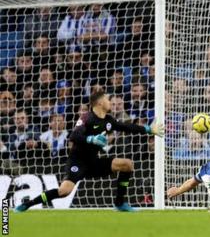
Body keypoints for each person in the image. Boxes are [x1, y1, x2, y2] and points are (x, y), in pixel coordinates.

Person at [15, 90, 164, 212]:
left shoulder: (108, 120)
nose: (110, 102)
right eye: (107, 99)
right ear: (100, 102)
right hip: (78, 162)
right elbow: (74, 135)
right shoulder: (87, 118)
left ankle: (120, 203)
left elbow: (126, 127)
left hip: (93, 162)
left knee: (127, 164)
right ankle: (27, 205)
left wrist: (148, 129)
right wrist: (91, 139)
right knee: (64, 191)